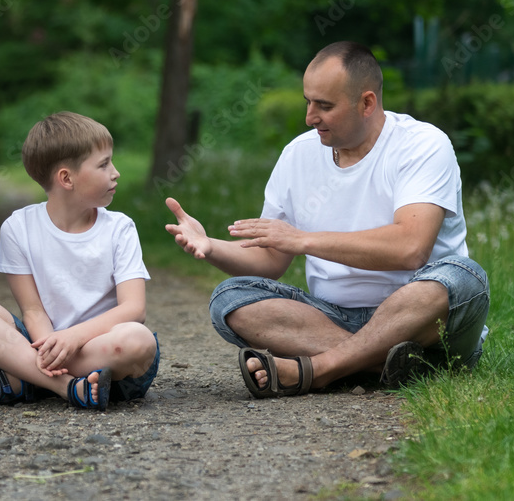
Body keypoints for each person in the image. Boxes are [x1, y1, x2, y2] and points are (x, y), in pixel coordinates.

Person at [166, 41, 489, 397]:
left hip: (422, 321)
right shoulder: (298, 155)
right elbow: (271, 260)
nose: (309, 116)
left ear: (367, 103)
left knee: (463, 278)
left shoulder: (423, 145)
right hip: (332, 317)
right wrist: (210, 246)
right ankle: (386, 364)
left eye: (324, 105)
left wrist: (304, 240)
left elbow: (411, 248)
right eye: (308, 101)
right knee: (229, 298)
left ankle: (320, 369)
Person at [0, 112, 159, 411]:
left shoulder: (119, 228)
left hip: (102, 348)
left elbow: (134, 309)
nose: (116, 173)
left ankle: (25, 378)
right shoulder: (18, 227)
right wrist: (51, 346)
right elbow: (32, 309)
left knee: (138, 341)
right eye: (103, 164)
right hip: (42, 339)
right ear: (66, 178)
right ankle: (66, 386)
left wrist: (72, 338)